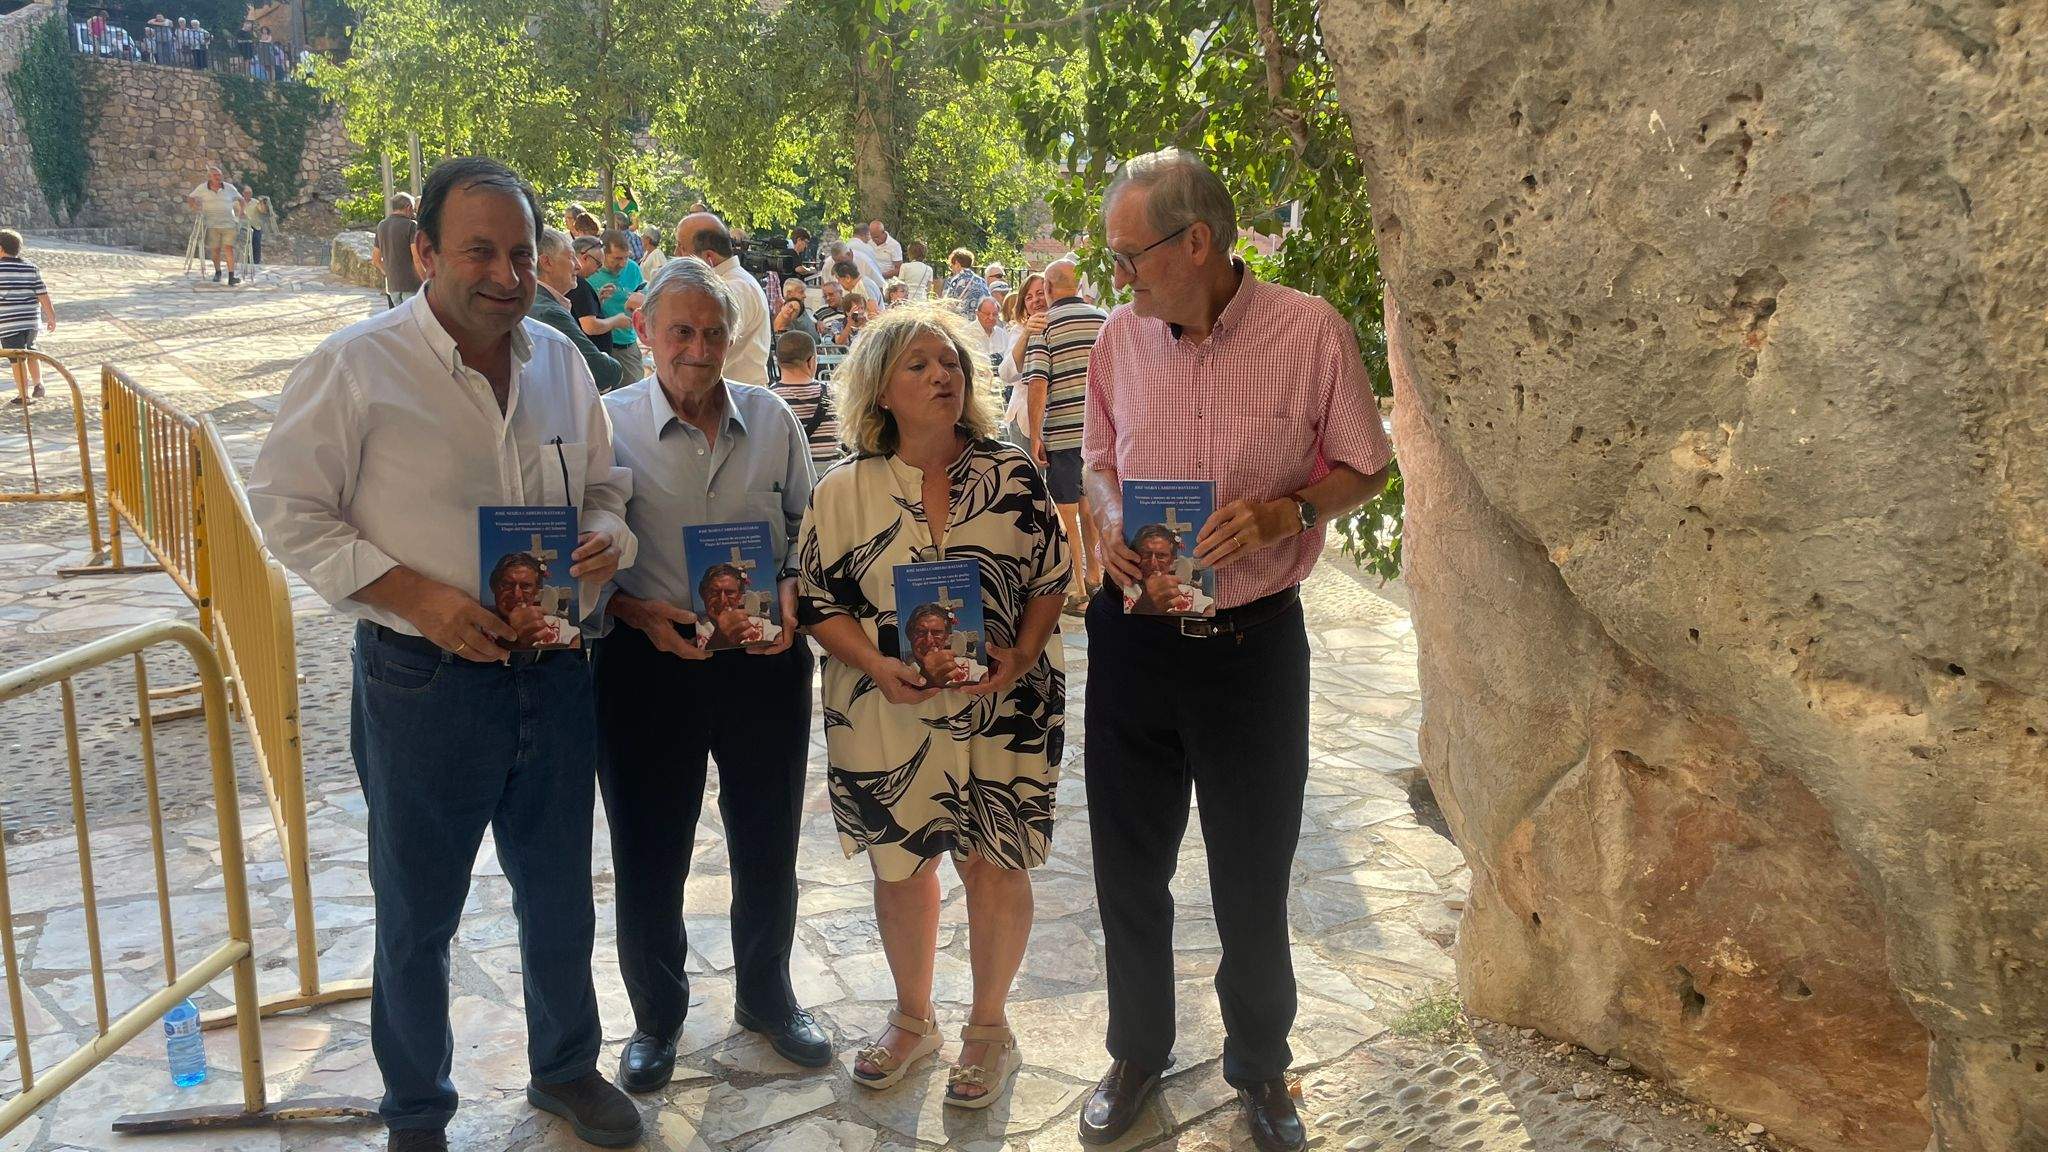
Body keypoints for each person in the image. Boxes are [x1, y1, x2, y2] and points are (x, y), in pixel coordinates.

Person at [248, 156, 643, 1152]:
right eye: (479, 251)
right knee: (416, 918)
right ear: (424, 252)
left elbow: (606, 487)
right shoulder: (356, 366)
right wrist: (412, 594)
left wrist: (607, 540)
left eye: (519, 252)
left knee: (557, 894)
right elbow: (287, 508)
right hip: (422, 686)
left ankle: (564, 1070)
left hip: (553, 673)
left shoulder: (558, 360)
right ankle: (416, 1115)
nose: (505, 274)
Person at [1075, 149, 1394, 1152]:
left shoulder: (1309, 331)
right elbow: (1092, 461)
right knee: (1128, 866)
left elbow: (1364, 468)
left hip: (1254, 647)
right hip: (1134, 641)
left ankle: (1260, 1067)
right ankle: (1135, 1051)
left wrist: (1282, 514)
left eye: (1129, 255)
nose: (1118, 277)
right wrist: (1116, 520)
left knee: (1252, 872)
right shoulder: (1116, 341)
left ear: (1195, 243)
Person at [796, 304, 1068, 1110]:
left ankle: (988, 1027)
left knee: (996, 860)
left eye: (950, 362)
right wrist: (879, 665)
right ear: (880, 388)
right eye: (918, 365)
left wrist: (1019, 652)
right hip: (886, 711)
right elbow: (816, 601)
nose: (941, 375)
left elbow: (1052, 576)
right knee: (901, 867)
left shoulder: (1012, 472)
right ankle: (914, 1021)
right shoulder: (842, 489)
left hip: (1004, 705)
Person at [593, 256, 830, 1091]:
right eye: (682, 331)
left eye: (713, 332)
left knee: (767, 839)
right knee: (650, 848)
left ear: (733, 339)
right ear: (646, 332)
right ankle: (656, 1019)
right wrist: (634, 612)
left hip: (762, 664)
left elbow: (806, 531)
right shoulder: (607, 425)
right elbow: (589, 562)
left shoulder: (771, 421)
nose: (698, 349)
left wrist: (795, 597)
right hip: (647, 664)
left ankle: (767, 996)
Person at [1022, 259, 1105, 614]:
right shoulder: (1105, 320)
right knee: (1091, 510)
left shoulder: (1045, 325)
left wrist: (1035, 434)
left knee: (1065, 515)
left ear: (1051, 289)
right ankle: (1097, 577)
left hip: (1062, 436)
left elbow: (1038, 384)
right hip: (1100, 435)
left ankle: (1076, 589)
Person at [676, 212, 771, 387]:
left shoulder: (734, 288)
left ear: (708, 257)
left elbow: (707, 344)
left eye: (681, 248)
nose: (676, 255)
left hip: (737, 400)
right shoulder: (732, 284)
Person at [532, 226, 623, 392]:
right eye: (571, 257)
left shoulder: (534, 301)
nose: (578, 266)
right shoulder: (550, 312)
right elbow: (604, 372)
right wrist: (603, 357)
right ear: (546, 262)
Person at [0, 231, 56, 406]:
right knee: (31, 351)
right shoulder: (31, 267)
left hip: (9, 322)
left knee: (17, 359)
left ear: (0, 249)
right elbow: (43, 294)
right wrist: (51, 317)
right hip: (31, 321)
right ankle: (39, 384)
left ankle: (23, 395)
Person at [769, 330, 839, 470]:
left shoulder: (768, 399)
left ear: (778, 360)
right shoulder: (834, 394)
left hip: (792, 479)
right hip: (831, 477)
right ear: (811, 361)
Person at [586, 229, 647, 386]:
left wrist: (641, 296)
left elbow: (644, 291)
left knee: (636, 392)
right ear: (603, 254)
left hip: (628, 344)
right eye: (617, 258)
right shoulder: (591, 273)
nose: (623, 263)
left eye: (626, 258)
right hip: (600, 347)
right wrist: (598, 299)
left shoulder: (632, 268)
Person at [997, 271, 1049, 441]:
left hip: (1058, 424)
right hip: (1024, 420)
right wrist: (1027, 333)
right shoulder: (1019, 330)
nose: (1035, 300)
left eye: (1040, 293)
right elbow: (1006, 374)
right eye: (1028, 297)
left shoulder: (1063, 324)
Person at [488, 552, 578, 649]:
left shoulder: (554, 626)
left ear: (536, 591)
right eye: (507, 585)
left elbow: (577, 637)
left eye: (525, 586)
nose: (517, 594)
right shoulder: (478, 625)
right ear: (493, 586)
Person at [186, 164, 242, 285]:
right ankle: (218, 272)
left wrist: (240, 214)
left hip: (229, 224)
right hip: (211, 225)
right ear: (209, 177)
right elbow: (191, 198)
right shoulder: (202, 188)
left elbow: (241, 199)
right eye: (215, 175)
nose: (218, 177)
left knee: (228, 249)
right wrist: (196, 209)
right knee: (215, 250)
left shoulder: (229, 188)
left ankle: (231, 277)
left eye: (219, 175)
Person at [371, 193, 422, 309]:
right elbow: (417, 259)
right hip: (412, 285)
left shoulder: (381, 226)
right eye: (413, 209)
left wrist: (389, 274)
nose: (413, 213)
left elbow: (375, 260)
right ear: (408, 207)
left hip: (393, 287)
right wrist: (426, 282)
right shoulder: (411, 226)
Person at [772, 277, 817, 342]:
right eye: (801, 292)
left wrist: (817, 322)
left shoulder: (802, 308)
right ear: (789, 294)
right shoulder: (786, 313)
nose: (805, 296)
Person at [242, 188, 274, 266]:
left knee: (256, 244)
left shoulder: (255, 202)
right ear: (243, 193)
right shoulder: (239, 202)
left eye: (250, 193)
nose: (248, 194)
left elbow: (263, 211)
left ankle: (256, 262)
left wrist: (263, 204)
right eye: (246, 193)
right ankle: (244, 260)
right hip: (243, 226)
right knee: (244, 244)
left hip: (255, 226)